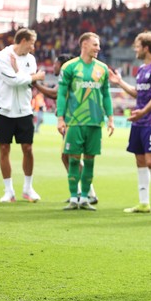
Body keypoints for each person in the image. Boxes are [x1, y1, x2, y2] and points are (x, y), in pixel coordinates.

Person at [108, 32, 151, 216]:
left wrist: (143, 111)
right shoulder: (142, 69)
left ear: (146, 47)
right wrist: (119, 82)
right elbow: (138, 93)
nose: (135, 49)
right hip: (139, 121)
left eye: (137, 46)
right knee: (140, 161)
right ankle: (144, 203)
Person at [57, 32, 114, 211]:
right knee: (73, 160)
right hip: (75, 121)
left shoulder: (103, 69)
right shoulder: (69, 67)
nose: (98, 48)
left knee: (90, 161)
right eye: (95, 45)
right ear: (84, 45)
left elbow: (106, 95)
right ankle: (73, 197)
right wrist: (60, 118)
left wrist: (110, 118)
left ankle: (84, 199)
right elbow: (61, 94)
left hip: (95, 122)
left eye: (98, 45)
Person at [34, 53, 100, 204]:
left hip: (74, 122)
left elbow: (54, 93)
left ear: (63, 64)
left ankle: (89, 193)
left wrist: (36, 84)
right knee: (67, 157)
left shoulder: (70, 76)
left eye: (56, 63)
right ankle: (79, 192)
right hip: (71, 121)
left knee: (72, 156)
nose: (54, 66)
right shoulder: (70, 75)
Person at [0, 28, 46, 203]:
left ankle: (27, 188)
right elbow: (13, 81)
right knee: (4, 149)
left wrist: (22, 75)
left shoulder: (30, 59)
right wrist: (31, 77)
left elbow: (27, 83)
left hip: (24, 109)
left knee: (28, 149)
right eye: (31, 43)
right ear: (23, 40)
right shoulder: (2, 57)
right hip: (4, 109)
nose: (33, 47)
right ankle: (8, 191)